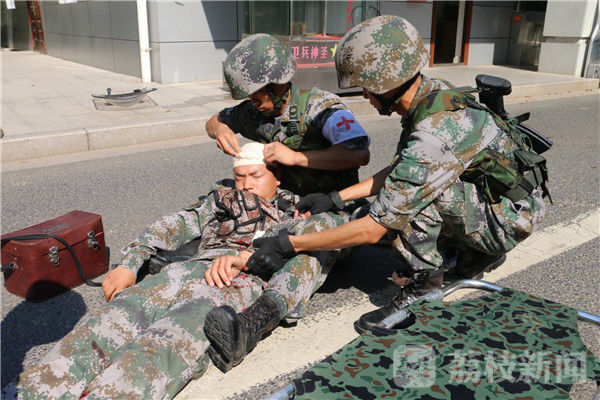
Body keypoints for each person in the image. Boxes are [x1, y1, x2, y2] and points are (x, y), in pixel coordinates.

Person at [239, 16, 548, 335]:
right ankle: (470, 255)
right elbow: (403, 170)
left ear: (385, 83)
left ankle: (424, 291)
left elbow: (375, 227)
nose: (365, 97)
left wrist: (289, 244)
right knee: (398, 196)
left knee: (404, 211)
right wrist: (336, 198)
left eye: (367, 88)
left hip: (508, 219)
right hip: (499, 200)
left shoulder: (433, 134)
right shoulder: (431, 94)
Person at [2, 143, 348, 400]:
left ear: (277, 175)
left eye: (255, 176)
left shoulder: (300, 212)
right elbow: (176, 223)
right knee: (97, 331)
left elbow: (315, 255)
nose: (245, 184)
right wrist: (130, 263)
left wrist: (264, 305)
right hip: (178, 273)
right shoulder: (221, 198)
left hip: (230, 283)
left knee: (153, 355)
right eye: (239, 176)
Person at [206, 33, 371, 196]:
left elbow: (359, 154)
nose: (253, 100)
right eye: (249, 94)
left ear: (277, 84)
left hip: (333, 202)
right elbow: (214, 122)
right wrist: (220, 129)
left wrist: (295, 157)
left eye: (257, 92)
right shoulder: (254, 111)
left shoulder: (321, 107)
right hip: (287, 201)